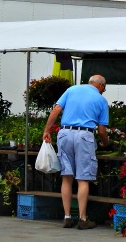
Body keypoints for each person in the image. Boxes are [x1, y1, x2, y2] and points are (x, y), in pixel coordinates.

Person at [43, 74, 109, 230]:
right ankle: (82, 219)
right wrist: (106, 142)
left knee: (66, 177)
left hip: (64, 134)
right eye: (104, 89)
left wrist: (47, 131)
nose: (103, 91)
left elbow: (56, 109)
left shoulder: (71, 90)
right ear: (100, 86)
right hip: (84, 136)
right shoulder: (101, 100)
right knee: (83, 179)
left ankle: (66, 217)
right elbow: (101, 131)